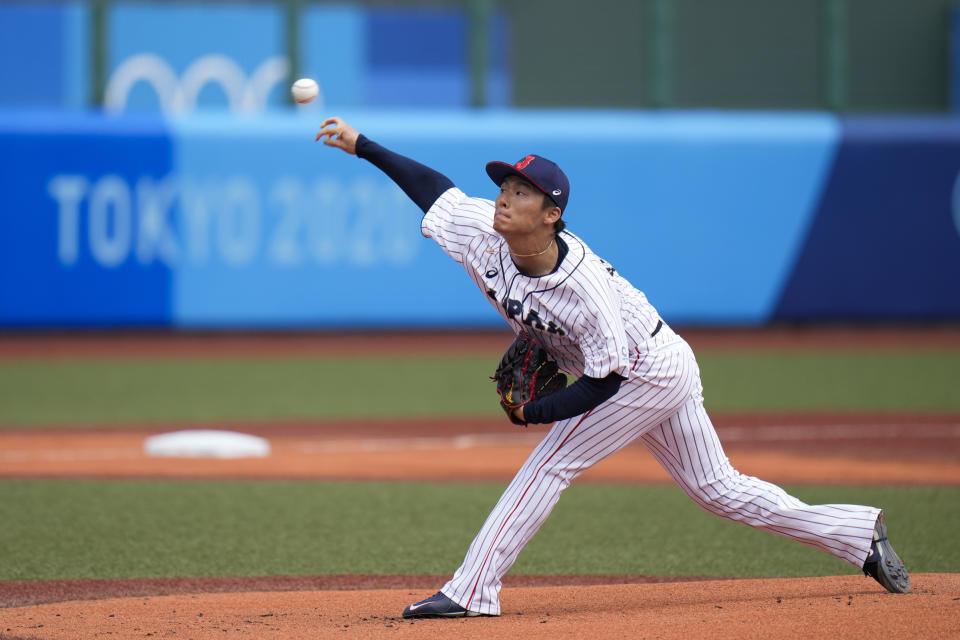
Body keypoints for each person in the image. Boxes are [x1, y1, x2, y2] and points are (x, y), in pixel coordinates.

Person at [315, 117, 912, 618]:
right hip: (650, 361)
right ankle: (855, 533)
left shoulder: (583, 291)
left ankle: (472, 591)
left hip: (643, 370)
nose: (504, 197)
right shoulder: (483, 232)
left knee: (551, 462)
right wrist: (363, 145)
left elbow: (604, 382)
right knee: (718, 490)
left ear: (552, 214)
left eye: (522, 192)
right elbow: (433, 188)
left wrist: (536, 412)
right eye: (504, 186)